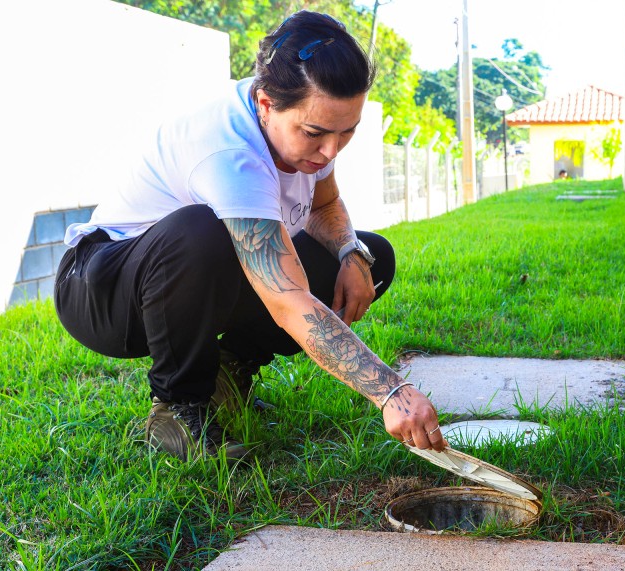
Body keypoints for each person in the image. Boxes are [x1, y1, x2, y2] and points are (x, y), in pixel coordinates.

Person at [54, 10, 447, 462]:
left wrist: (349, 252)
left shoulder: (308, 126)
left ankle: (228, 370)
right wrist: (389, 390)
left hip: (191, 278)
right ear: (264, 103)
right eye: (316, 134)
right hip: (101, 290)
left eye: (347, 133)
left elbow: (323, 206)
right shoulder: (229, 153)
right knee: (202, 229)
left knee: (372, 253)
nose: (330, 151)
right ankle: (176, 410)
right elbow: (288, 299)